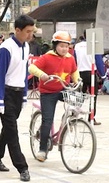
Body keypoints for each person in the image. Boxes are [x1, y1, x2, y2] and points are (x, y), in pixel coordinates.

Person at [0, 15, 34, 182]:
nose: (31, 35)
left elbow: (24, 72)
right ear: (17, 30)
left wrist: (24, 94)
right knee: (12, 131)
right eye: (28, 31)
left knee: (8, 129)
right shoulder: (6, 48)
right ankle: (22, 167)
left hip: (18, 93)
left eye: (32, 31)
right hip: (6, 93)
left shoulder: (26, 46)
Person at [28, 30, 80, 162]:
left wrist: (77, 80)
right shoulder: (47, 57)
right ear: (55, 45)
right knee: (48, 120)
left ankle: (70, 119)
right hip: (48, 92)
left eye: (66, 46)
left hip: (64, 90)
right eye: (61, 46)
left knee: (78, 103)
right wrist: (42, 75)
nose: (64, 49)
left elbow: (74, 72)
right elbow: (32, 68)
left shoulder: (70, 58)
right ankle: (42, 149)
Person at [74, 30, 106, 125]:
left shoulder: (77, 46)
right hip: (91, 73)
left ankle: (74, 115)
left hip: (79, 73)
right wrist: (103, 75)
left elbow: (74, 60)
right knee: (93, 96)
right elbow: (99, 61)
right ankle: (91, 117)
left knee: (80, 96)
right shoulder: (94, 45)